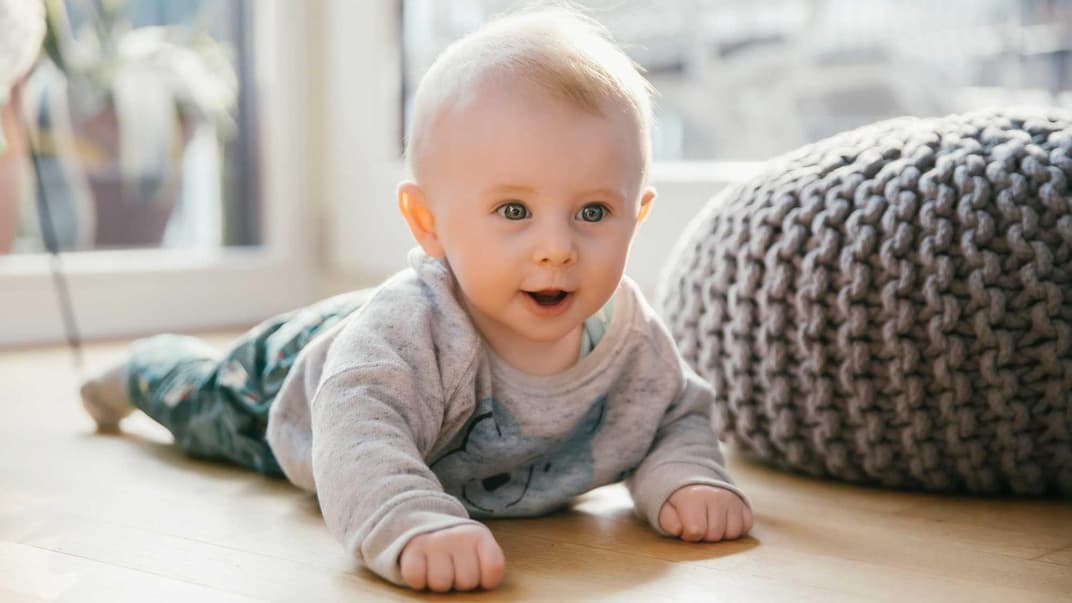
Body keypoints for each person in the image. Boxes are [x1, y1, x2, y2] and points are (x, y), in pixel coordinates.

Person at [80, 5, 753, 593]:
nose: (557, 247)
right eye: (514, 208)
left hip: (378, 341)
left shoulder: (630, 338)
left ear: (638, 213)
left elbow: (678, 412)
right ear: (427, 221)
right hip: (291, 378)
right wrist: (408, 518)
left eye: (594, 212)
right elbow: (358, 430)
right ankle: (146, 367)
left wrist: (686, 478)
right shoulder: (411, 333)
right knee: (200, 401)